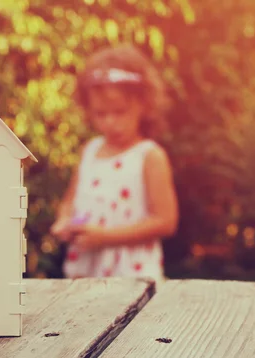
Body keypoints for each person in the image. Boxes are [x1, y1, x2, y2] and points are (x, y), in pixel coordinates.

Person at [50, 44, 179, 280]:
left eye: (120, 112)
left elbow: (166, 221)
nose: (110, 122)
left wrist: (106, 238)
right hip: (86, 273)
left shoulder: (149, 156)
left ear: (144, 104)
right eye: (100, 113)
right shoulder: (89, 151)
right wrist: (64, 222)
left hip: (132, 276)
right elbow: (70, 201)